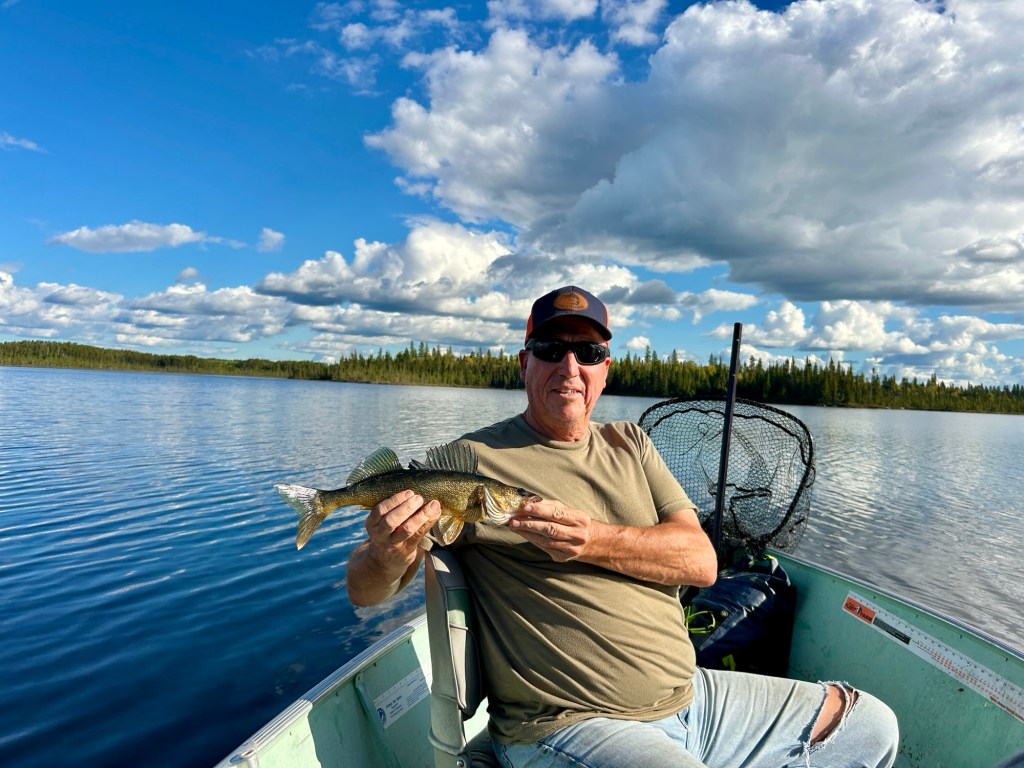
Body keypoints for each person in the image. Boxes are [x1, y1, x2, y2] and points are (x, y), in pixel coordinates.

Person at [347, 286, 900, 768]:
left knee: (869, 726)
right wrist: (387, 552)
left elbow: (701, 563)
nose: (569, 367)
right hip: (569, 724)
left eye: (588, 352)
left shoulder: (631, 444)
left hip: (693, 700)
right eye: (551, 349)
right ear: (524, 363)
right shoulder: (471, 461)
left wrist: (591, 539)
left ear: (605, 369)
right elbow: (365, 591)